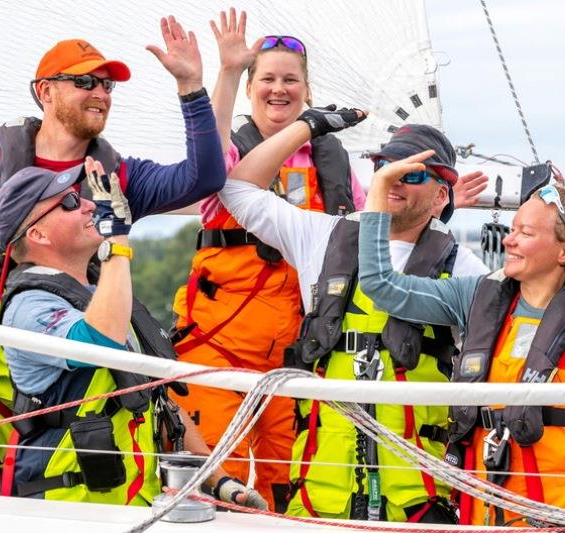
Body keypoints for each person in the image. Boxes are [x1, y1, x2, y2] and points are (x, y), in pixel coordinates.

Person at [0, 18, 227, 447]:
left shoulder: (117, 175)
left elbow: (204, 179)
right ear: (45, 91)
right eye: (86, 81)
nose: (101, 93)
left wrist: (190, 87)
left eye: (109, 86)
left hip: (69, 380)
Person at [215, 92, 490, 522]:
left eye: (411, 174)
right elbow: (235, 187)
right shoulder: (322, 237)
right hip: (323, 495)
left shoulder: (463, 267)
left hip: (416, 502)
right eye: (384, 168)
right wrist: (308, 126)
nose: (393, 179)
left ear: (441, 197)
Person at [357, 152, 565, 525]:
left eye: (525, 233)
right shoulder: (476, 298)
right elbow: (381, 285)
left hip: (564, 518)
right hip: (484, 516)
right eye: (512, 228)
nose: (509, 241)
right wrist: (379, 190)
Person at [167, 10, 367, 512]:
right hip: (218, 346)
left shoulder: (336, 165)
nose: (279, 90)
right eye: (268, 79)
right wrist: (229, 71)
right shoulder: (229, 155)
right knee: (218, 477)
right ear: (253, 86)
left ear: (307, 89)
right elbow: (205, 166)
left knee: (287, 483)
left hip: (299, 353)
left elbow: (371, 231)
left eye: (291, 81)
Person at [0, 159, 267, 509]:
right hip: (67, 510)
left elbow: (157, 402)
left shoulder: (102, 297)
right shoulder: (29, 307)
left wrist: (221, 481)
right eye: (71, 203)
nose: (89, 204)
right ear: (38, 235)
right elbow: (100, 342)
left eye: (81, 195)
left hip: (127, 508)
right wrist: (116, 240)